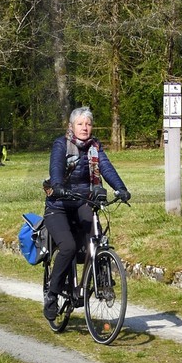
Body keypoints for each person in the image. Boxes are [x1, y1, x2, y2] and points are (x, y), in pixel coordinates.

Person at [42, 106, 130, 320]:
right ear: (72, 126)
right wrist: (57, 185)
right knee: (69, 247)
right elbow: (56, 167)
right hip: (58, 205)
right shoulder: (61, 144)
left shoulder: (95, 147)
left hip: (82, 201)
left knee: (96, 240)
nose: (85, 128)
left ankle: (101, 282)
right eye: (80, 124)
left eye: (88, 124)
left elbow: (106, 168)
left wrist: (121, 188)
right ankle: (52, 295)